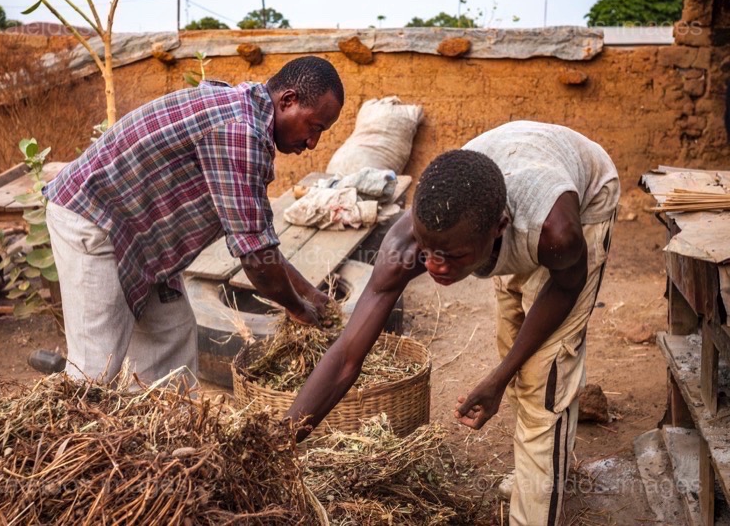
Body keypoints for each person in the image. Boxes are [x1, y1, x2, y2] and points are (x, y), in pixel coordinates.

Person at [286, 120, 619, 526]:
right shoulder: (414, 239)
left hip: (583, 192)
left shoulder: (558, 231)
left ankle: (537, 500)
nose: (436, 268)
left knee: (541, 376)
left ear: (499, 228)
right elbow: (345, 358)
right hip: (510, 188)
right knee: (512, 330)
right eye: (429, 252)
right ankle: (544, 467)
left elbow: (566, 288)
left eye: (454, 257)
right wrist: (281, 442)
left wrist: (500, 379)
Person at [44, 56, 344, 386]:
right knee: (96, 367)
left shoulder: (246, 115)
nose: (313, 142)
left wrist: (312, 296)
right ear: (288, 101)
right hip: (94, 220)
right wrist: (298, 309)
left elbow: (259, 242)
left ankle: (165, 430)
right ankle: (72, 429)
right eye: (314, 127)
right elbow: (258, 259)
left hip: (142, 239)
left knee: (171, 333)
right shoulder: (240, 132)